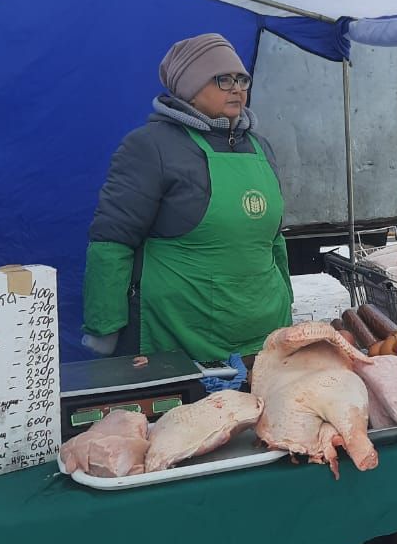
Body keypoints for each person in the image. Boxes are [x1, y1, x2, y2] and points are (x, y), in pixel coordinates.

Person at [82, 32, 293, 367]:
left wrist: (287, 303)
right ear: (190, 89)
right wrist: (105, 328)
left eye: (242, 79)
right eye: (223, 79)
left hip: (262, 336)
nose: (237, 88)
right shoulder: (150, 146)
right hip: (178, 341)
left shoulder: (261, 147)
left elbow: (274, 240)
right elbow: (112, 242)